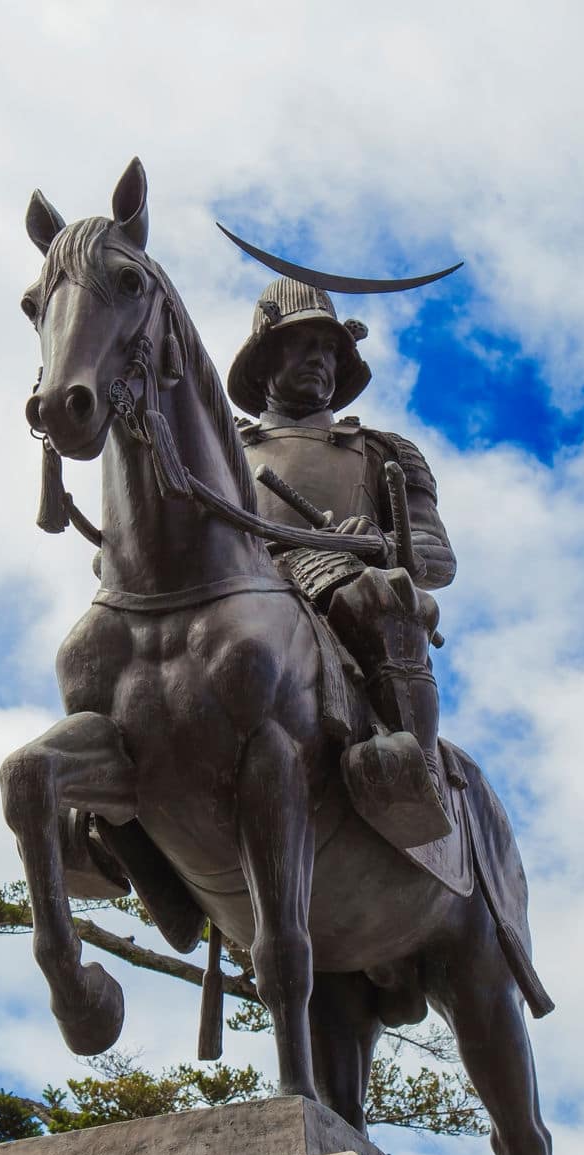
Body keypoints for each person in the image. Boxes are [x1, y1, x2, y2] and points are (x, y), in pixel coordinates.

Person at [227, 277, 456, 847]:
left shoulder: (384, 451)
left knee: (382, 599)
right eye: (302, 344)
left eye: (330, 349)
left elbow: (436, 560)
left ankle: (412, 770)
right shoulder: (224, 450)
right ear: (266, 357)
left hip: (342, 583)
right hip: (236, 587)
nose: (320, 359)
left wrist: (379, 542)